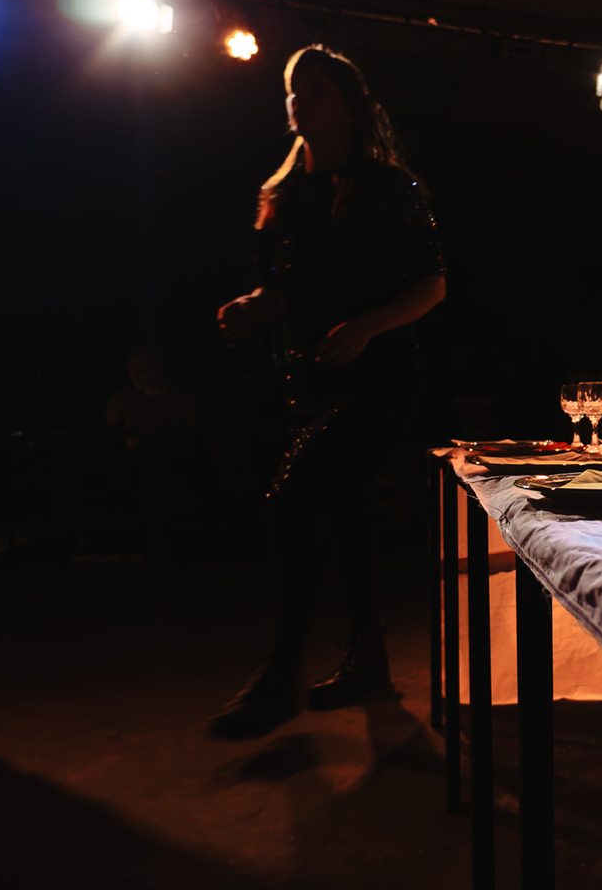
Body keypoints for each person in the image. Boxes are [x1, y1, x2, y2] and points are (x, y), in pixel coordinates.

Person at [208, 45, 445, 739]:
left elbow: (432, 283)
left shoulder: (386, 186)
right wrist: (254, 305)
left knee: (292, 501)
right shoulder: (283, 197)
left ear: (348, 107)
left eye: (315, 89)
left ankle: (280, 675)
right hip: (311, 382)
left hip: (379, 379)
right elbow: (288, 291)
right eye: (293, 89)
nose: (299, 99)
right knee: (343, 509)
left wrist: (369, 325)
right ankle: (368, 658)